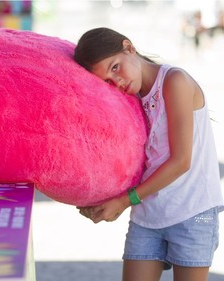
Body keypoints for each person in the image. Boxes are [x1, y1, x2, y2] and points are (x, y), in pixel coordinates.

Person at [74, 27, 224, 281]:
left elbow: (181, 162)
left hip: (193, 212)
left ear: (129, 47)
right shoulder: (131, 98)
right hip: (148, 215)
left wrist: (122, 202)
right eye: (108, 81)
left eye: (115, 68)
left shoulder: (174, 81)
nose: (117, 82)